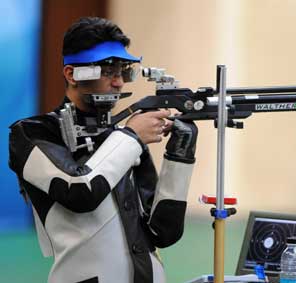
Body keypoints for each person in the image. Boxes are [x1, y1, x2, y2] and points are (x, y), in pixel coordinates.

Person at [8, 17, 197, 283]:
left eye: (123, 71)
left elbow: (163, 232)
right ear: (71, 74)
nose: (119, 83)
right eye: (107, 71)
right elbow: (80, 191)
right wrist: (132, 137)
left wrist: (180, 155)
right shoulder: (32, 133)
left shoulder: (119, 138)